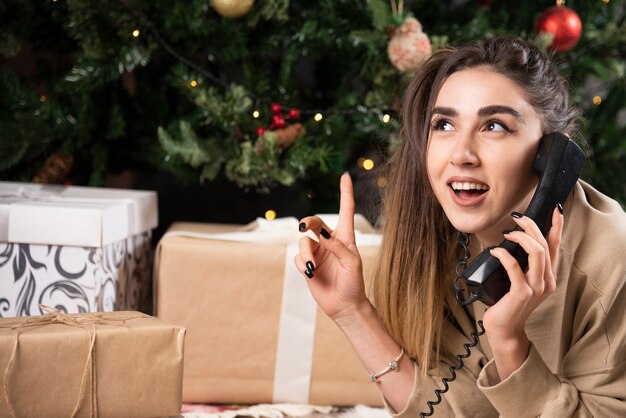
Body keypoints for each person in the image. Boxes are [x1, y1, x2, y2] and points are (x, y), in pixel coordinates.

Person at [294, 36, 626, 417]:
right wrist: (352, 312)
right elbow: (457, 410)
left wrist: (509, 343)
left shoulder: (610, 260)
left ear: (551, 155)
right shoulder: (448, 239)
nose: (461, 155)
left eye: (495, 126)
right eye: (445, 124)